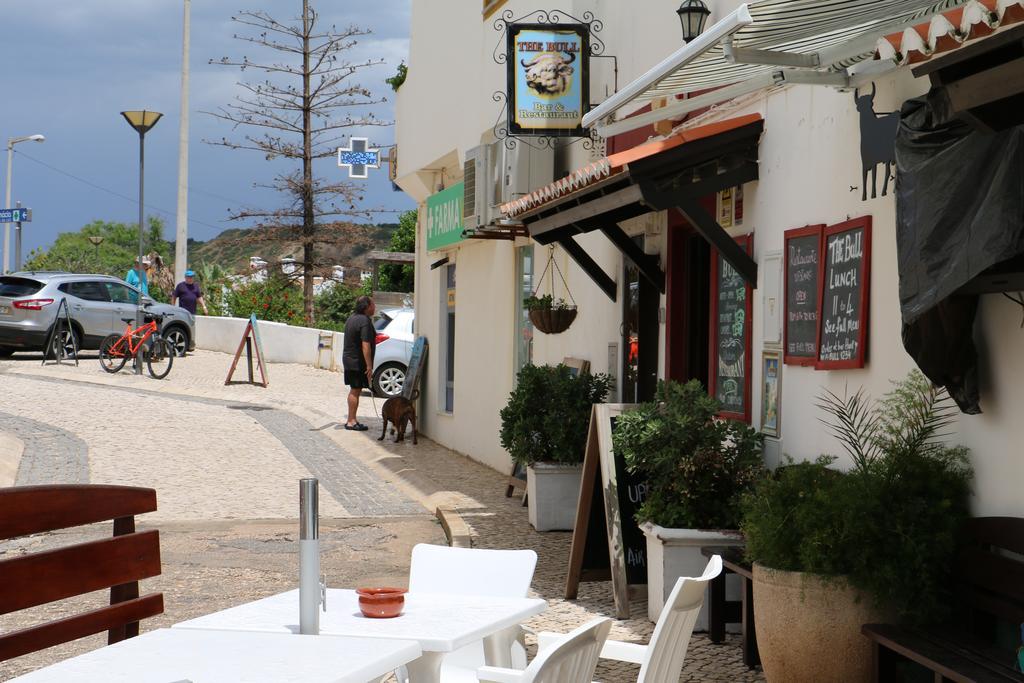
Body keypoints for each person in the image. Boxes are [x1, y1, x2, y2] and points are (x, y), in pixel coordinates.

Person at [342, 295, 376, 431]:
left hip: (349, 359)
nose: (375, 307)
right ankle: (351, 421)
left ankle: (352, 419)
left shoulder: (351, 318)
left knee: (355, 389)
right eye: (373, 305)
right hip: (357, 362)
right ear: (367, 307)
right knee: (355, 390)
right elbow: (365, 345)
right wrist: (369, 365)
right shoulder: (364, 321)